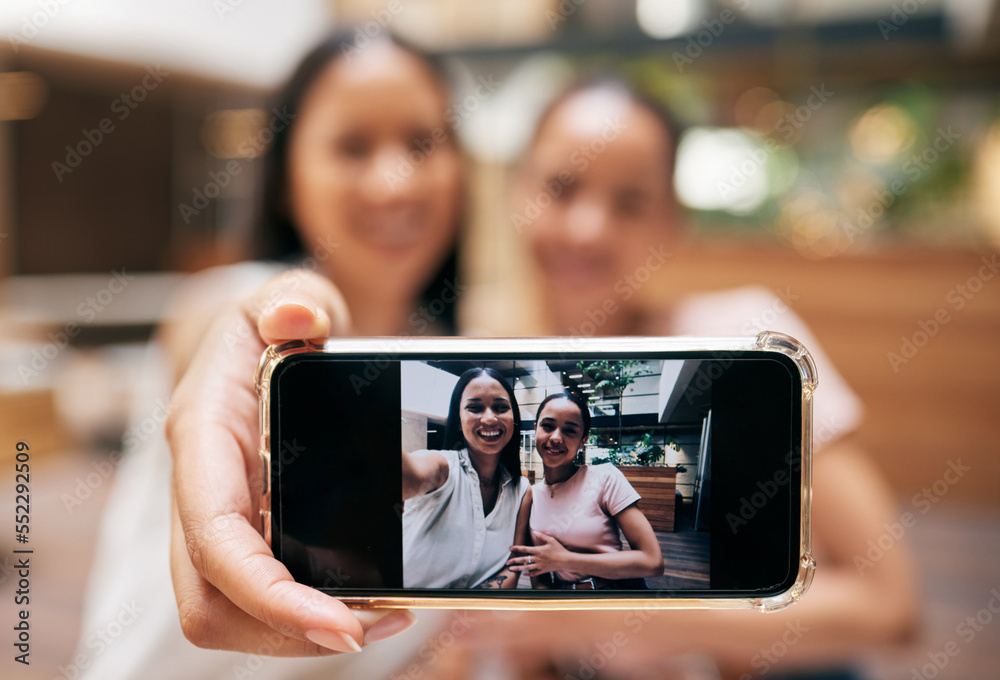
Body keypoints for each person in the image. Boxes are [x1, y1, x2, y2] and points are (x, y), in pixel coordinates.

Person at [456, 79, 919, 679]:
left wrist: (609, 619)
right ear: (517, 193)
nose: (588, 229)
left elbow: (890, 603)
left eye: (629, 202)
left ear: (671, 220)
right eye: (562, 187)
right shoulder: (487, 360)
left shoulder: (744, 337)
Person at [75, 31, 468, 680]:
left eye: (422, 143)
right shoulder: (226, 305)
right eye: (352, 146)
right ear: (287, 179)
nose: (394, 181)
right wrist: (290, 315)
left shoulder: (452, 367)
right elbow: (250, 317)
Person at [507, 392, 663, 589]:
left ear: (583, 440)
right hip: (563, 602)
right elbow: (539, 575)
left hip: (615, 594)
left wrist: (565, 560)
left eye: (569, 430)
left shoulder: (605, 477)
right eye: (547, 426)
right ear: (535, 428)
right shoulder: (530, 495)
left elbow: (653, 561)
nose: (556, 437)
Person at [402, 367, 532, 589]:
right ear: (459, 418)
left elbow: (512, 568)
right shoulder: (442, 468)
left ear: (514, 418)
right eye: (475, 408)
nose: (490, 418)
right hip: (407, 616)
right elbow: (407, 475)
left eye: (501, 408)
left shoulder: (521, 490)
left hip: (473, 620)